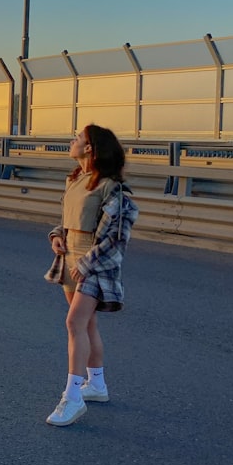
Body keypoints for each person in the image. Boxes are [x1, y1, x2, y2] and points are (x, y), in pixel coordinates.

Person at [43, 124, 139, 427]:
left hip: (94, 265)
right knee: (87, 324)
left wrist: (86, 263)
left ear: (91, 149)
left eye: (78, 139)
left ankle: (72, 398)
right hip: (69, 260)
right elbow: (66, 221)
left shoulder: (113, 188)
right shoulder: (75, 180)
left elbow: (116, 238)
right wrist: (56, 236)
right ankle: (96, 385)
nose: (71, 141)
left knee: (73, 323)